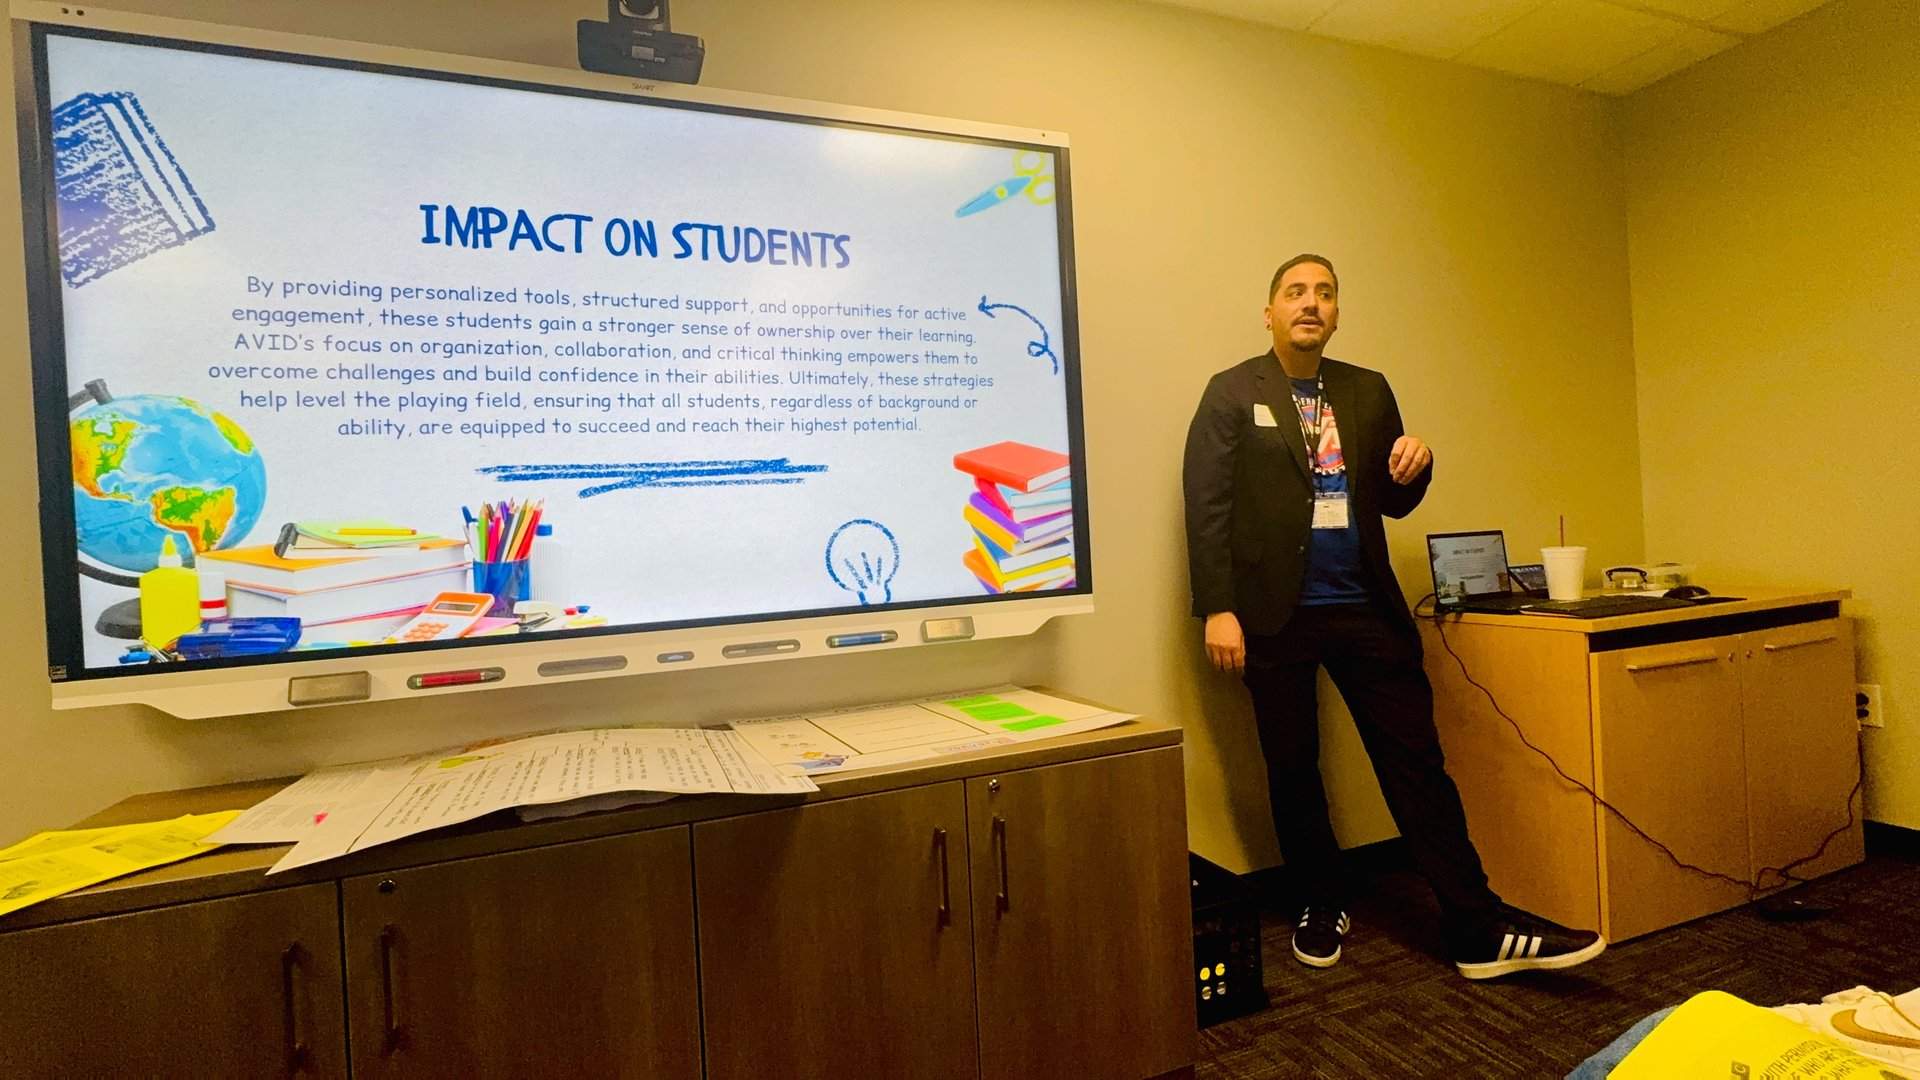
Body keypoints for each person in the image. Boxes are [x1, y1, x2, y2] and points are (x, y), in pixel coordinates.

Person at [1181, 253, 1605, 979]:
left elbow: (1392, 496)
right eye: (1294, 293)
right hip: (1272, 616)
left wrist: (1419, 464)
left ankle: (1474, 924)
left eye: (1324, 293)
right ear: (1270, 311)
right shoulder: (1231, 392)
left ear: (1337, 313)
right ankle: (1320, 900)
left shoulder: (1368, 391)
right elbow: (1206, 505)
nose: (1309, 304)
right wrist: (1218, 608)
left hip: (1364, 607)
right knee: (1292, 768)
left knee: (1416, 764)